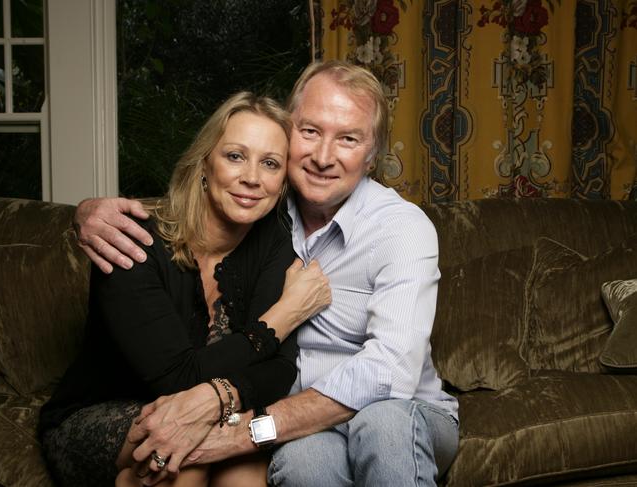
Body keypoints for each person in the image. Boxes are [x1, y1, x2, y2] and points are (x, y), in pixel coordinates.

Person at [73, 61, 460, 486]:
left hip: (399, 411)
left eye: (348, 139)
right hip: (307, 427)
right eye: (310, 132)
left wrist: (247, 432)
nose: (324, 157)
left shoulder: (401, 229)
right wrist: (90, 212)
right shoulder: (266, 212)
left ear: (371, 157)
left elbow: (391, 372)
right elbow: (193, 206)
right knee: (303, 465)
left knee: (381, 425)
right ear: (290, 135)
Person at [38, 91, 331, 487]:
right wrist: (286, 313)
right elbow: (177, 379)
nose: (252, 177)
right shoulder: (132, 242)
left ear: (282, 183)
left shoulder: (274, 241)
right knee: (183, 461)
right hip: (100, 411)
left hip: (211, 408)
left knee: (243, 467)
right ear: (205, 163)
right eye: (235, 156)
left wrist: (219, 401)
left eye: (270, 163)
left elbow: (279, 369)